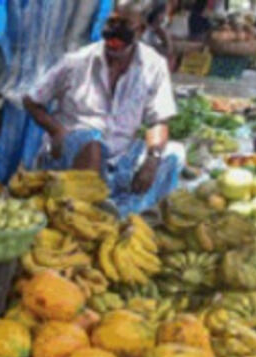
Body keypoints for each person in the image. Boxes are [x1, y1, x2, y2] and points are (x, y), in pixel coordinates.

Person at [21, 1, 181, 216]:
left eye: (125, 24)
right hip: (73, 153)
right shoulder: (76, 62)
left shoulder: (153, 66)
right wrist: (56, 131)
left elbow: (158, 120)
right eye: (111, 22)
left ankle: (120, 208)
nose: (115, 30)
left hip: (120, 156)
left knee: (173, 154)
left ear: (141, 29)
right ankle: (86, 210)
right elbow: (32, 100)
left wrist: (152, 161)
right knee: (92, 141)